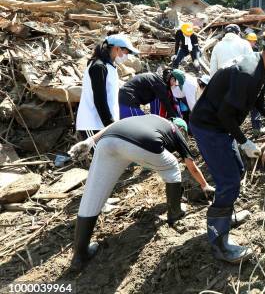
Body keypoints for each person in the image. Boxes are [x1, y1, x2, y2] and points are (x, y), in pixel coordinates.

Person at [189, 20, 265, 263]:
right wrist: (244, 142)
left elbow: (258, 101)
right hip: (209, 126)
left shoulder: (263, 67)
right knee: (229, 182)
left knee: (237, 170)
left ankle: (224, 216)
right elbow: (225, 115)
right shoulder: (247, 73)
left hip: (221, 125)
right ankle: (219, 244)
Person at [67, 115, 212, 271]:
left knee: (93, 193)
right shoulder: (176, 131)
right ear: (182, 129)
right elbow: (191, 166)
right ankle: (174, 212)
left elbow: (118, 124)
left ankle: (79, 256)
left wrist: (89, 142)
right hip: (140, 144)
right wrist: (205, 185)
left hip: (108, 141)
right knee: (172, 167)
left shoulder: (150, 118)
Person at [76, 34, 139, 143]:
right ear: (117, 48)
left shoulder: (109, 67)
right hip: (93, 124)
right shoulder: (98, 67)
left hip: (103, 126)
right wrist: (110, 126)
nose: (127, 56)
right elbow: (99, 100)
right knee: (100, 159)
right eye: (126, 52)